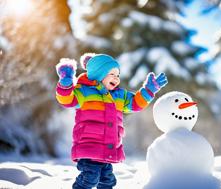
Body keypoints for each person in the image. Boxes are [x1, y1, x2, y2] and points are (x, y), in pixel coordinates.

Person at [55, 53, 168, 189]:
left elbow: (136, 104)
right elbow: (67, 100)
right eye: (112, 74)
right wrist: (65, 86)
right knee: (89, 179)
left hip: (107, 149)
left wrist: (149, 90)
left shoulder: (120, 95)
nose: (116, 78)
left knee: (107, 181)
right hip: (89, 148)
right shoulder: (84, 92)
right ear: (99, 74)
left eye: (118, 75)